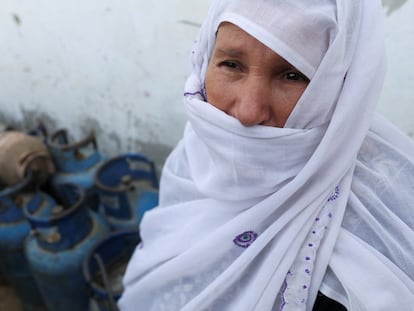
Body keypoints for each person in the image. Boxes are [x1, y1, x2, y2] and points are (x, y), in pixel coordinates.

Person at [118, 0, 414, 310]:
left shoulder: (371, 258)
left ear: (341, 90)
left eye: (292, 75)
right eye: (231, 64)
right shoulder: (191, 163)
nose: (248, 112)